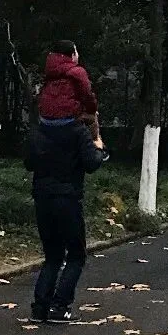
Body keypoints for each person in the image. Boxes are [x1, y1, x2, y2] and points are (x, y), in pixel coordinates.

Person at [24, 106, 108, 322]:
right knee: (76, 254)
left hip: (42, 198)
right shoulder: (78, 132)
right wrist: (99, 148)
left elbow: (29, 163)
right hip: (68, 198)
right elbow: (91, 163)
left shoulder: (39, 131)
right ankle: (60, 306)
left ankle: (40, 307)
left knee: (52, 255)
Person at [37, 40, 100, 141]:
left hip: (45, 119)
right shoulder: (77, 71)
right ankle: (96, 145)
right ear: (72, 55)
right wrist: (92, 110)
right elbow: (87, 95)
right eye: (76, 52)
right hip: (66, 120)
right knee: (93, 117)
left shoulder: (49, 71)